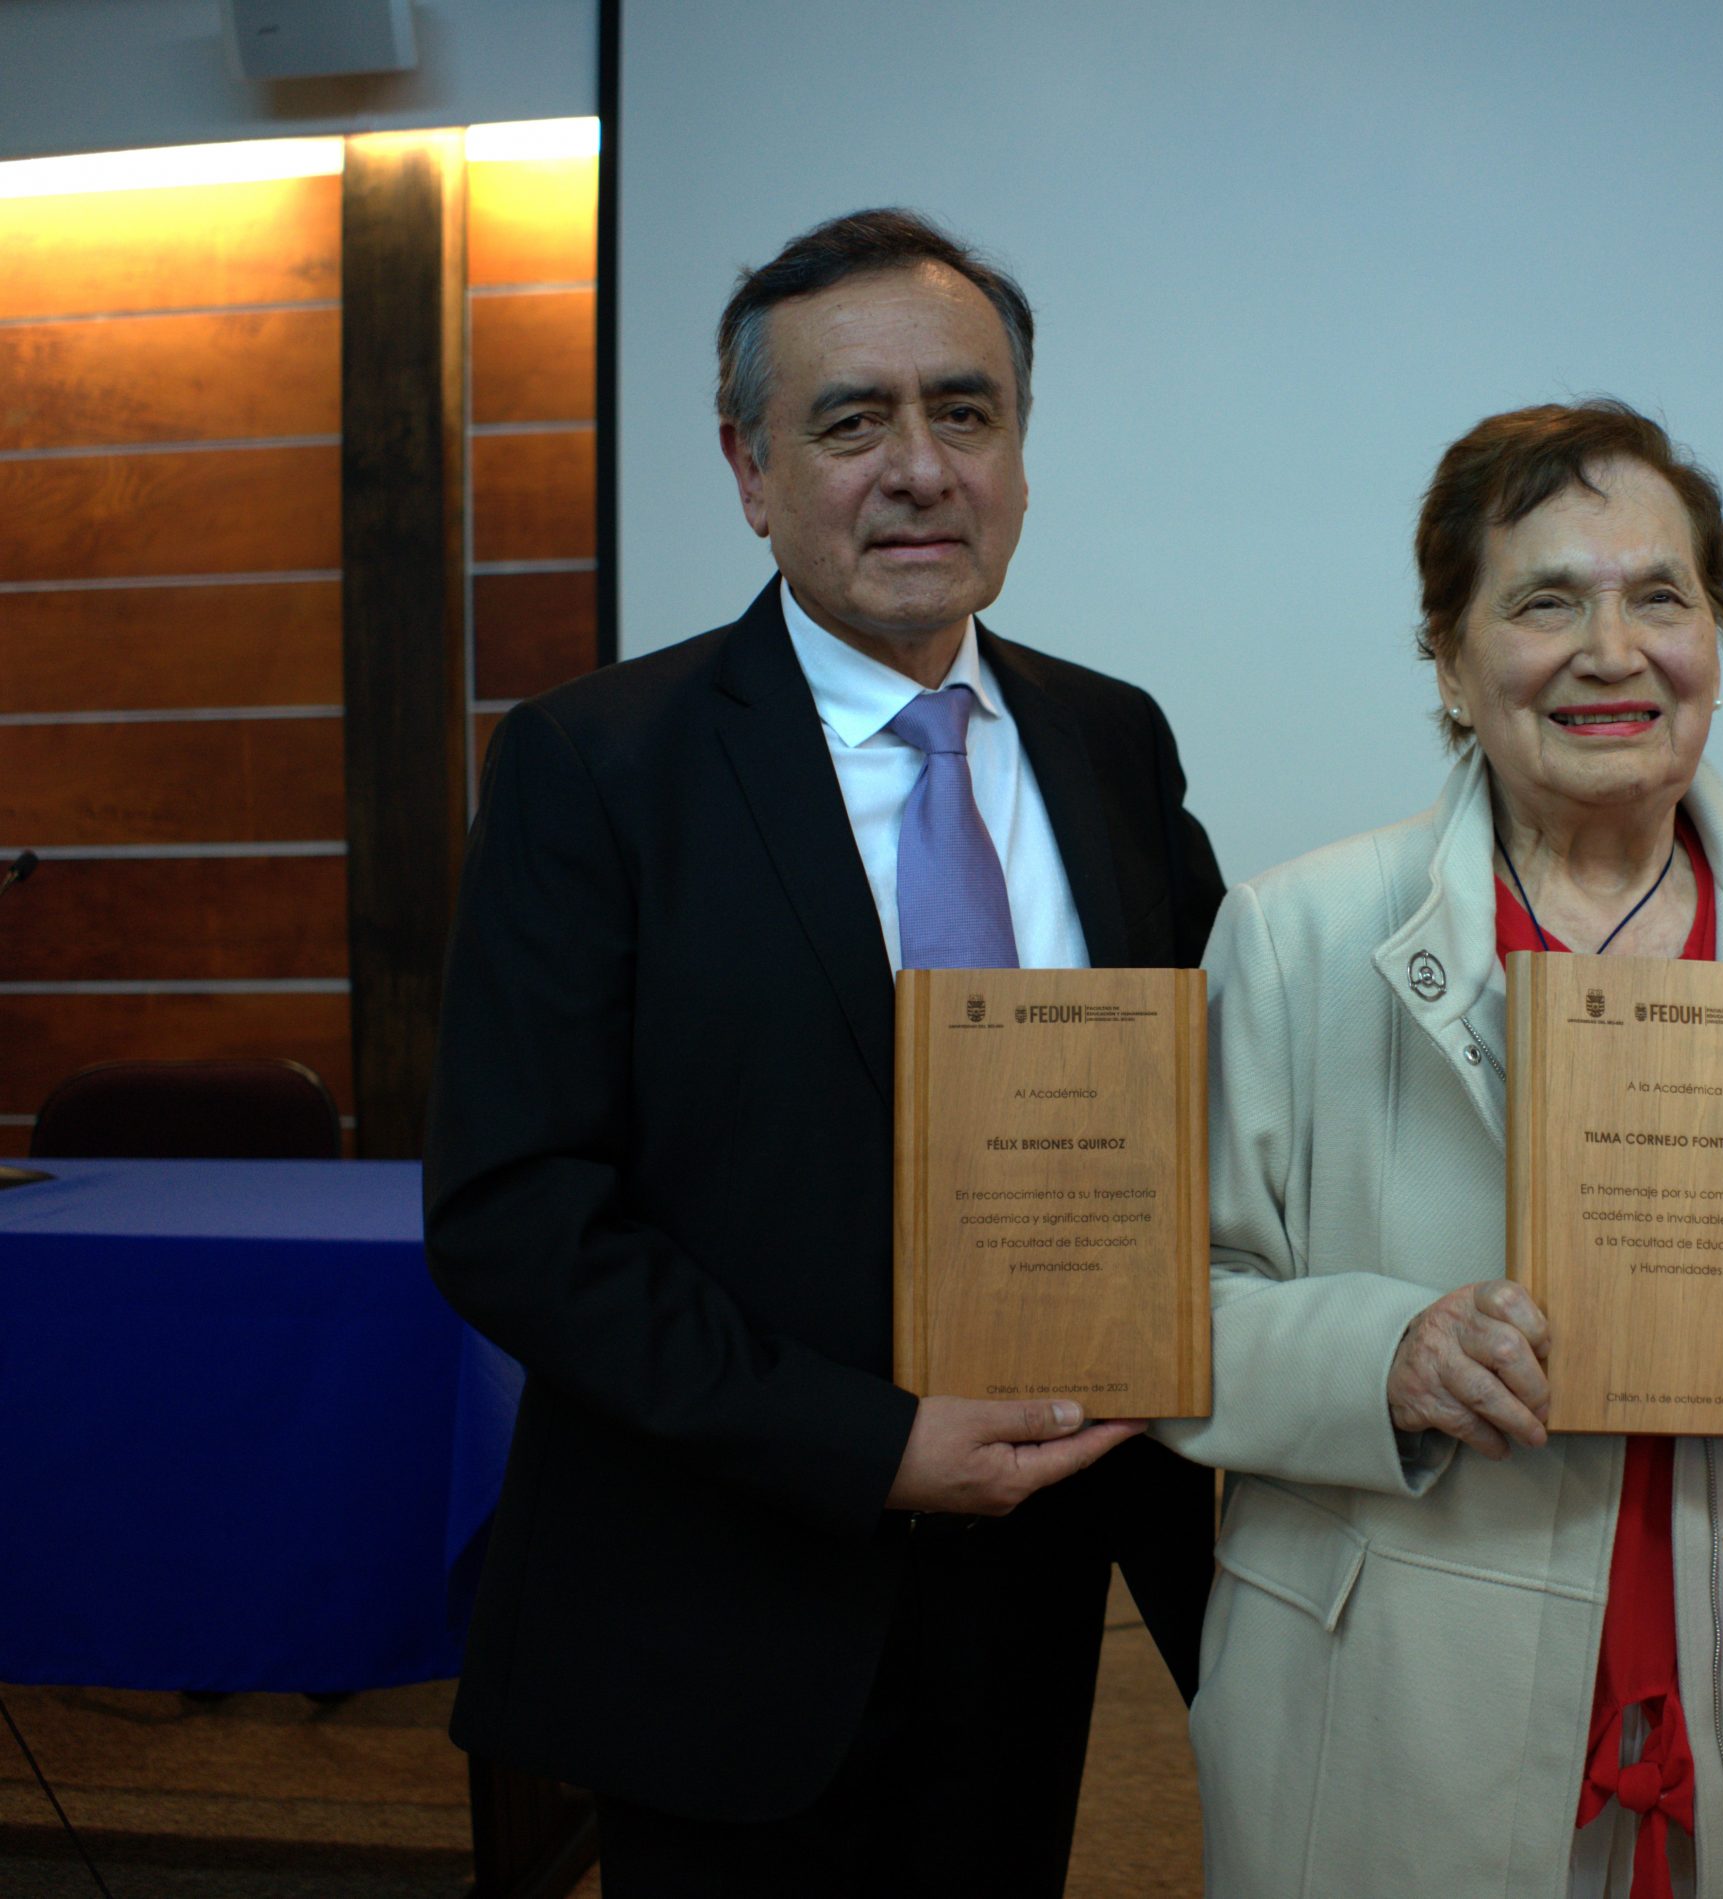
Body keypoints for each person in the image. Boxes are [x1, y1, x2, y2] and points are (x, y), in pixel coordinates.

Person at [1158, 400, 1723, 1899]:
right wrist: (1379, 1353)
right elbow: (1163, 1308)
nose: (1612, 649)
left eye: (1663, 596)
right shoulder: (1299, 931)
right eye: (1543, 603)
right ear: (1451, 666)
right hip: (1410, 1676)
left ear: (1718, 639)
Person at [424, 209, 1224, 1896]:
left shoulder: (1108, 736)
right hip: (734, 1587)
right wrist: (870, 1446)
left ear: (1018, 449)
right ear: (749, 467)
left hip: (1043, 1570)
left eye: (967, 412)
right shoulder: (598, 766)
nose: (920, 469)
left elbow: (1221, 1095)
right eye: (853, 423)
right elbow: (515, 1212)